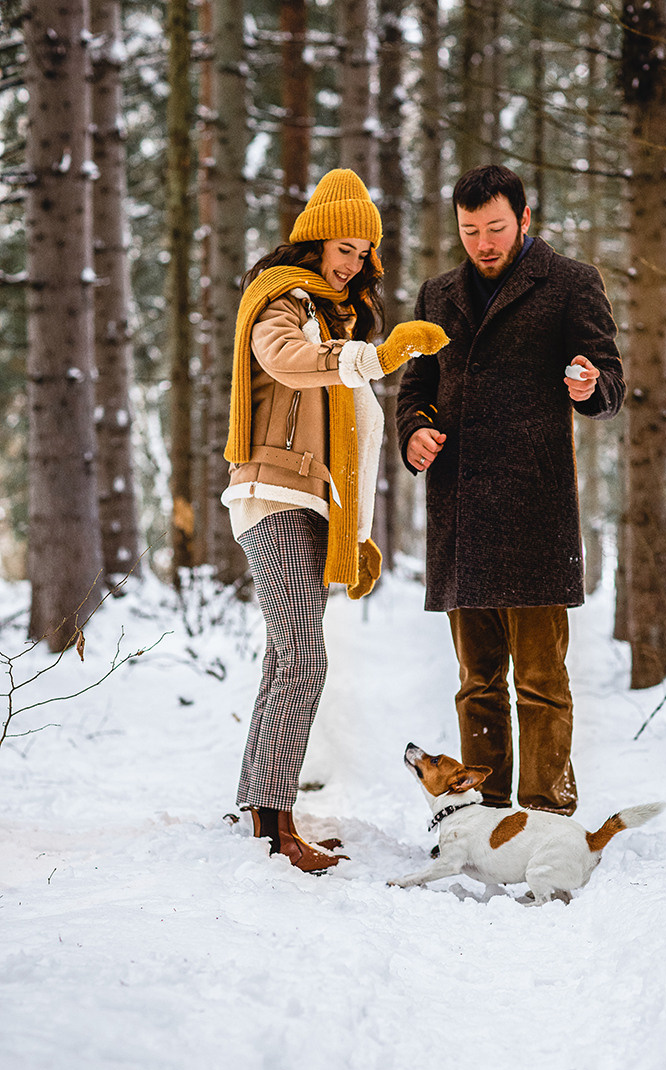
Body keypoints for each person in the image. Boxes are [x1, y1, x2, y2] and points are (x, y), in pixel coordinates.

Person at [223, 168, 447, 871]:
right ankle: (277, 825)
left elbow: (355, 440)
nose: (352, 264)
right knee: (307, 663)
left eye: (363, 254)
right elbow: (285, 362)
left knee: (283, 660)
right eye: (342, 248)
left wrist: (357, 537)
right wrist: (371, 357)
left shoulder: (332, 316)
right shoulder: (283, 302)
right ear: (315, 240)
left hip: (310, 503)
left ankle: (257, 812)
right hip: (275, 495)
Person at [395, 164, 624, 817]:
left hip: (535, 514)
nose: (484, 243)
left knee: (542, 681)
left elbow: (609, 378)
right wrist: (415, 433)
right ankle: (487, 812)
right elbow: (416, 392)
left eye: (496, 228)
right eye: (471, 231)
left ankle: (547, 813)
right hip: (462, 516)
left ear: (524, 220)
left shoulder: (571, 284)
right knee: (477, 683)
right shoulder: (436, 296)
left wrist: (589, 386)